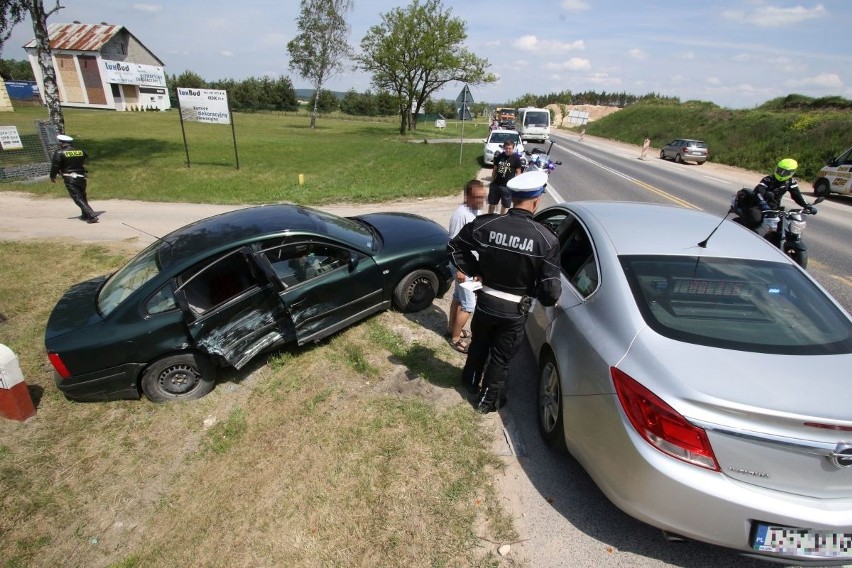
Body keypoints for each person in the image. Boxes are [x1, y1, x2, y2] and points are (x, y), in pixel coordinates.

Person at [448, 170, 562, 414]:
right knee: (500, 358)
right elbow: (550, 293)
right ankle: (486, 402)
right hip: (513, 311)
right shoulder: (546, 239)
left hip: (486, 301)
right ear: (537, 200)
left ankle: (468, 382)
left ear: (512, 197)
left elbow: (454, 246)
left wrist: (476, 270)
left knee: (479, 344)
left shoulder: (488, 223)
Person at [446, 179, 486, 353]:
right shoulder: (460, 214)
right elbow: (453, 245)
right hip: (464, 267)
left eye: (482, 197)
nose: (481, 201)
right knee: (468, 305)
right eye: (477, 197)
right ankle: (455, 339)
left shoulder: (475, 209)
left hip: (470, 265)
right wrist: (461, 269)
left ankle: (451, 329)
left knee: (457, 297)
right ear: (467, 196)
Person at [741, 158, 813, 230]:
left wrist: (807, 206)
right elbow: (759, 192)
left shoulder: (791, 182)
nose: (781, 174)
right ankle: (747, 234)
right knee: (756, 219)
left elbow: (797, 195)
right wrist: (763, 203)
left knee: (783, 226)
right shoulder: (768, 179)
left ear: (792, 173)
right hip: (758, 205)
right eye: (780, 170)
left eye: (785, 172)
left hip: (774, 207)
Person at [50, 134, 98, 223]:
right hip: (82, 177)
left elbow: (55, 166)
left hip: (70, 178)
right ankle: (85, 214)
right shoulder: (81, 151)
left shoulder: (59, 153)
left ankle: (91, 215)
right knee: (82, 196)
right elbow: (86, 161)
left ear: (61, 143)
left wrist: (52, 176)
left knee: (77, 198)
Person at [488, 139, 523, 214]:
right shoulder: (499, 156)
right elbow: (494, 170)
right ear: (504, 148)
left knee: (504, 206)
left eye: (510, 148)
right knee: (492, 204)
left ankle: (501, 219)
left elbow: (518, 172)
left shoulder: (516, 158)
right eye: (506, 148)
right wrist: (492, 181)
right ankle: (489, 218)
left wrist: (516, 185)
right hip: (496, 185)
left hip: (507, 187)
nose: (508, 150)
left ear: (513, 148)